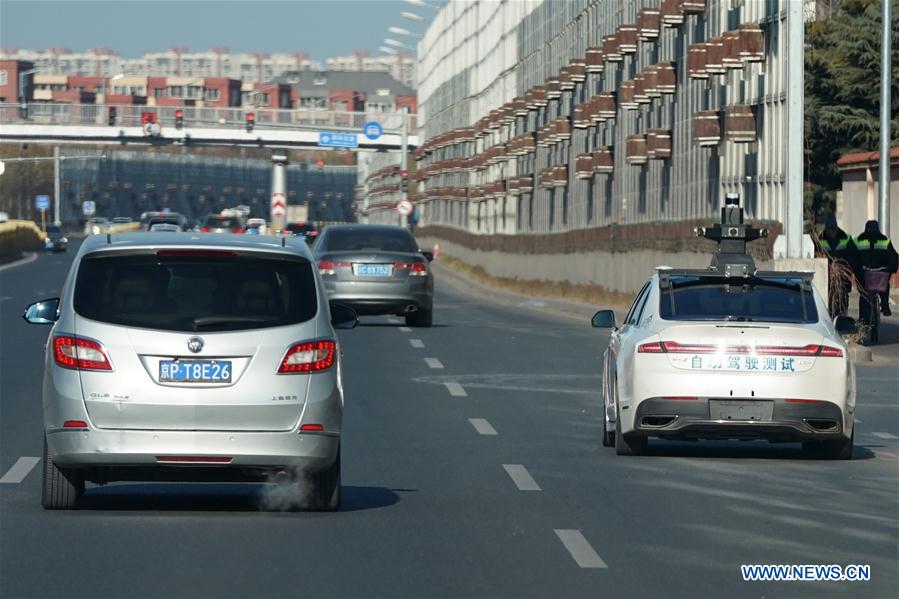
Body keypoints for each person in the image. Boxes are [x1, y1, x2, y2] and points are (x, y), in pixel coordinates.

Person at [856, 220, 898, 320]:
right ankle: (865, 317)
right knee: (867, 293)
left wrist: (892, 267)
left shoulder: (883, 240)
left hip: (876, 272)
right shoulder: (859, 240)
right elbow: (853, 257)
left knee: (881, 287)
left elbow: (893, 257)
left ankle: (884, 306)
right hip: (865, 273)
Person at [818, 216, 858, 316]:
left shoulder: (846, 238)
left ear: (837, 228)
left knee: (843, 296)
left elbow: (853, 256)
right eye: (829, 229)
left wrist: (850, 271)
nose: (831, 232)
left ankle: (842, 315)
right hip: (827, 275)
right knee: (829, 296)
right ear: (826, 229)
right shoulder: (819, 239)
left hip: (843, 274)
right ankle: (830, 315)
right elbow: (816, 256)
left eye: (833, 229)